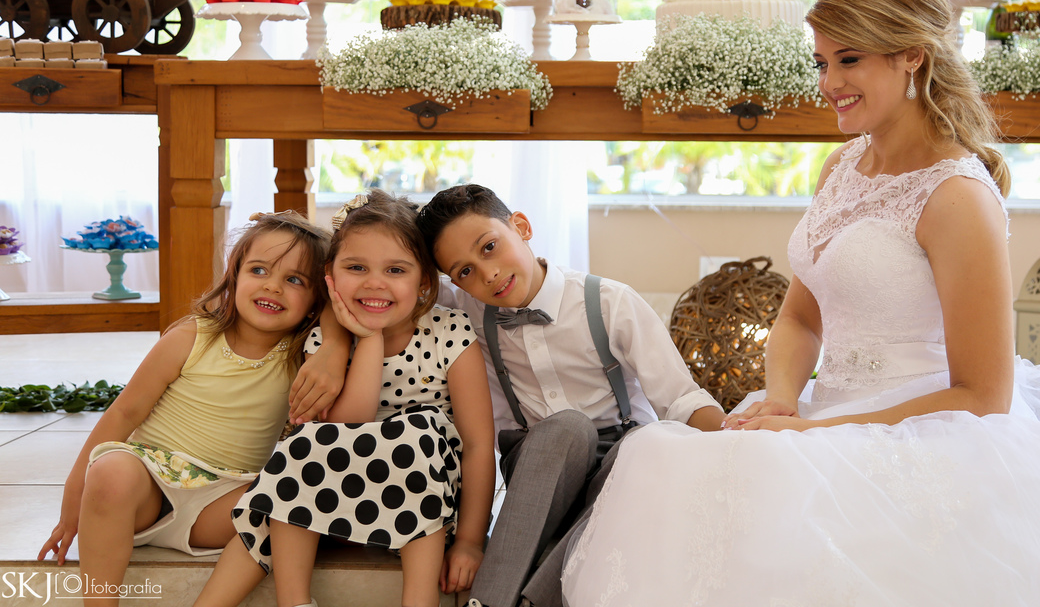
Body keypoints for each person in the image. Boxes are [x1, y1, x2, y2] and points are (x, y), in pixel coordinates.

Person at [560, 0, 1040, 605]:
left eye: (848, 61)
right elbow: (802, 318)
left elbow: (983, 394)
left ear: (912, 60)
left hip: (926, 426)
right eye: (820, 63)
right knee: (667, 469)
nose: (829, 83)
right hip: (823, 408)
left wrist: (820, 435)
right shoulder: (843, 164)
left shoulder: (957, 197)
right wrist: (783, 399)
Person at [412, 184, 727, 607]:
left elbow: (680, 398)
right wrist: (335, 342)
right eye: (464, 271)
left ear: (521, 227)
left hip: (620, 460)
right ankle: (487, 601)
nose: (485, 274)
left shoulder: (609, 301)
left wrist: (735, 442)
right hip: (538, 459)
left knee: (646, 445)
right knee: (569, 428)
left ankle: (527, 601)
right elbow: (388, 278)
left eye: (489, 247)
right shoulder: (466, 310)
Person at [194, 190, 494, 607]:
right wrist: (367, 340)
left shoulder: (450, 331)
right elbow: (345, 425)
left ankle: (419, 602)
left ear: (424, 281)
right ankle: (295, 603)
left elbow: (478, 444)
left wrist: (471, 541)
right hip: (336, 501)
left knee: (420, 428)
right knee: (301, 443)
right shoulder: (327, 337)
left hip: (425, 507)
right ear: (330, 277)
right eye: (356, 267)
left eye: (395, 269)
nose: (374, 283)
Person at [38, 212, 331, 607]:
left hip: (220, 503)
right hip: (149, 486)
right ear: (234, 273)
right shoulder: (193, 336)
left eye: (295, 280)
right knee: (110, 471)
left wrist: (336, 344)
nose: (273, 286)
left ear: (317, 300)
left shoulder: (304, 354)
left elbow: (342, 318)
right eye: (259, 270)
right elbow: (123, 414)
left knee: (285, 503)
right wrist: (74, 500)